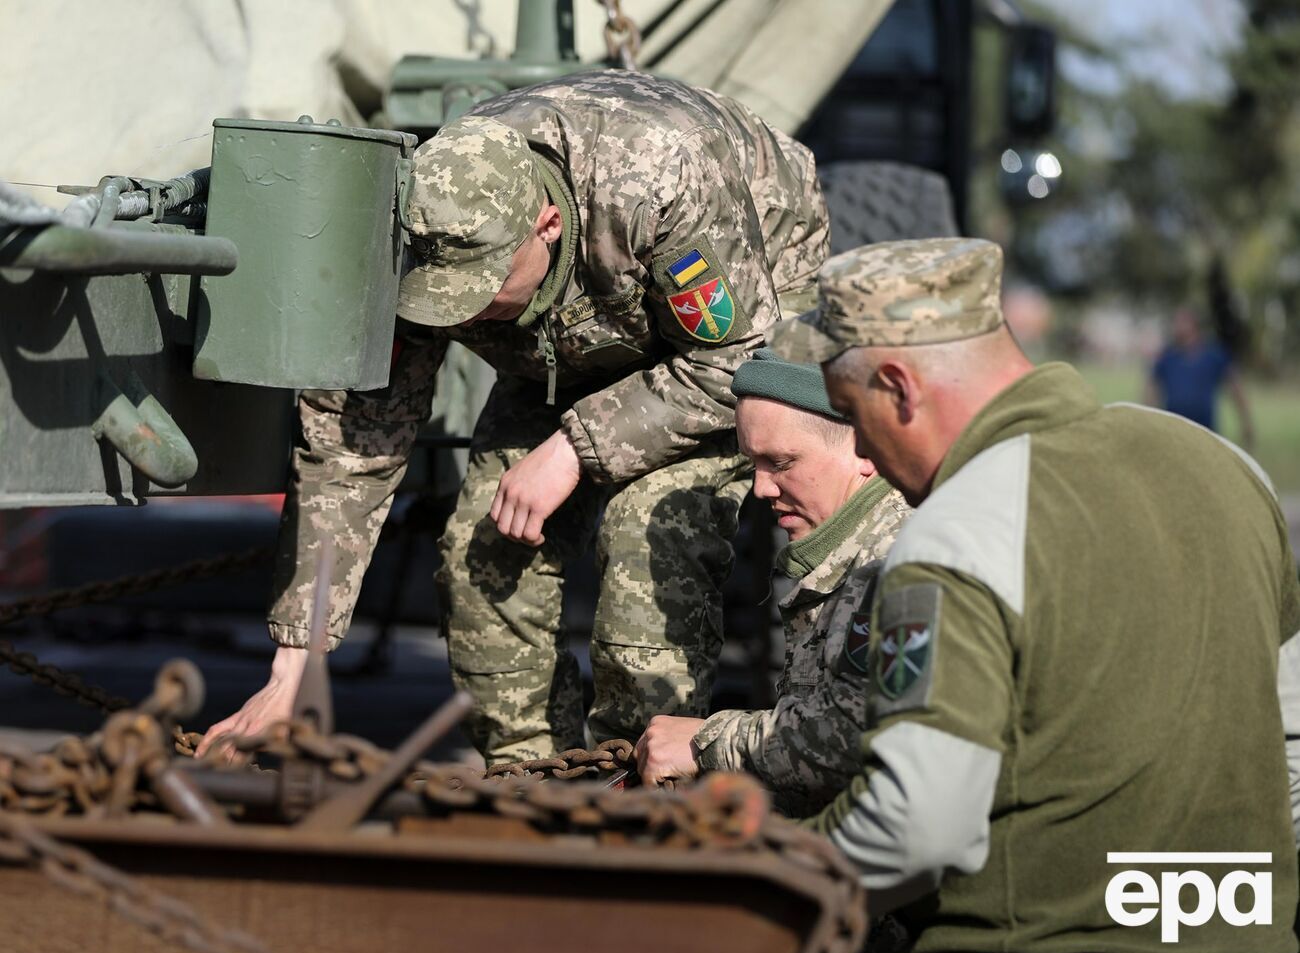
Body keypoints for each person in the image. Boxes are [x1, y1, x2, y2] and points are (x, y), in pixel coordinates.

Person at [198, 70, 829, 764]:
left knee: (651, 537)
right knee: (480, 552)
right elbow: (350, 447)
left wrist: (573, 447)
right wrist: (292, 666)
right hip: (575, 332)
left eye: (484, 288)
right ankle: (532, 781)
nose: (463, 311)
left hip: (738, 308)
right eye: (445, 294)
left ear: (546, 225)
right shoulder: (426, 226)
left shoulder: (657, 182)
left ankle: (642, 791)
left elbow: (733, 360)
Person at [773, 238, 1300, 953]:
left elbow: (916, 828)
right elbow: (1290, 739)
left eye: (850, 413)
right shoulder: (1228, 469)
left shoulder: (955, 532)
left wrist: (768, 878)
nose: (859, 445)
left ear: (899, 386)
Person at [634, 349, 909, 816]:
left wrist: (705, 745)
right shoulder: (850, 548)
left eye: (780, 463)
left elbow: (853, 738)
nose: (761, 489)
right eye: (752, 464)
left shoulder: (891, 560)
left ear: (864, 449)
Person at [1147, 305, 1255, 448]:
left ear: (1194, 325)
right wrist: (1148, 422)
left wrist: (1246, 423)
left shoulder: (1214, 356)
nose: (1177, 326)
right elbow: (1152, 390)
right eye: (1176, 322)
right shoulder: (1167, 357)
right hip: (1172, 432)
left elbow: (1235, 389)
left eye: (1182, 322)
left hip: (1206, 433)